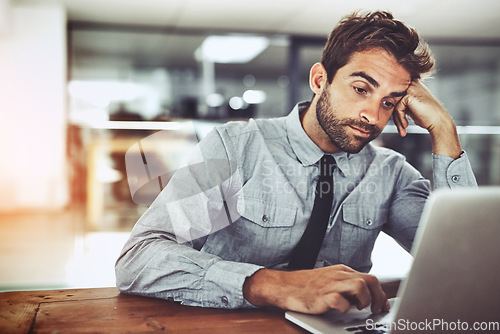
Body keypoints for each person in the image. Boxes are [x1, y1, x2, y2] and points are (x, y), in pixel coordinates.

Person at [115, 11, 477, 315]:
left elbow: (468, 268)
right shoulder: (236, 147)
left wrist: (444, 129)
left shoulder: (391, 175)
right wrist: (270, 285)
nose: (372, 115)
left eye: (389, 101)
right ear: (320, 80)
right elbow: (139, 259)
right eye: (361, 88)